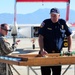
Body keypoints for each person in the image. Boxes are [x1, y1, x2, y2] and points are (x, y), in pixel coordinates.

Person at [38, 8, 72, 75]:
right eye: (51, 15)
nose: (53, 17)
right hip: (46, 54)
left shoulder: (63, 23)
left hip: (57, 55)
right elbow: (40, 37)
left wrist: (69, 49)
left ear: (59, 16)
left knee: (57, 73)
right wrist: (41, 50)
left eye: (55, 16)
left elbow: (69, 36)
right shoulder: (46, 23)